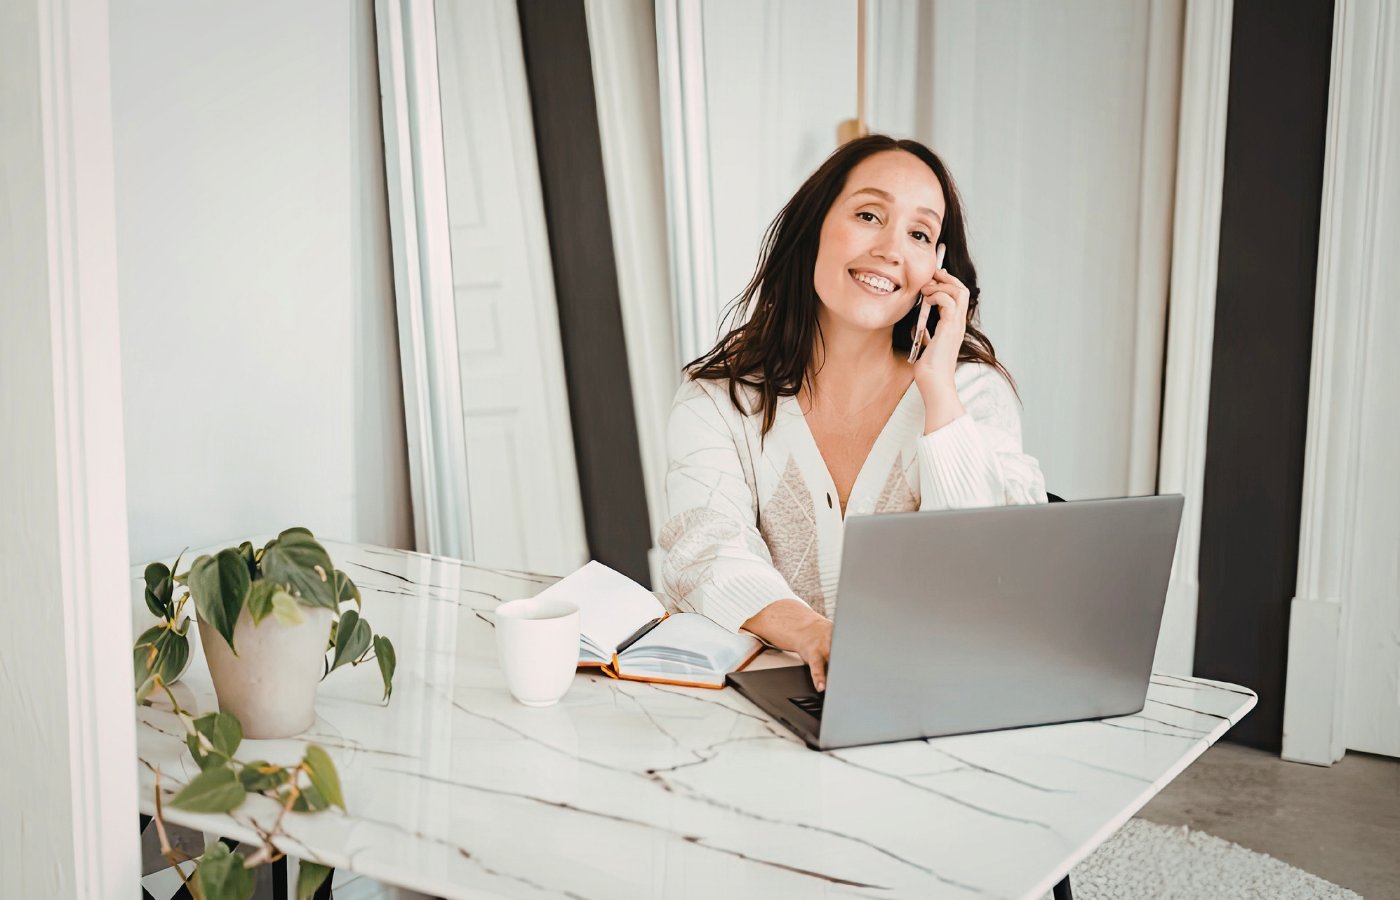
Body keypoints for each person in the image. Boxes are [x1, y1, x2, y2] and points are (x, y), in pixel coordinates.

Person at [660, 134, 1047, 691]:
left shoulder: (972, 394)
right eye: (870, 214)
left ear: (936, 269)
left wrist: (937, 389)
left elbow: (987, 575)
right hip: (762, 699)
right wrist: (815, 634)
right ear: (815, 227)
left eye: (919, 234)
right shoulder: (717, 400)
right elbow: (705, 550)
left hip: (937, 695)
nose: (892, 249)